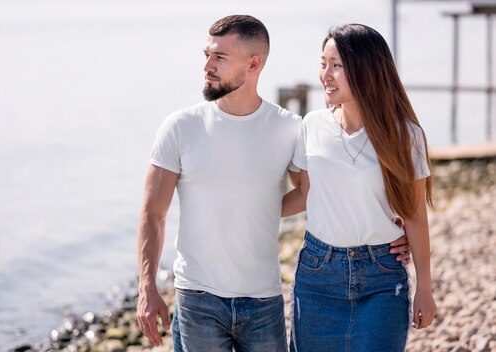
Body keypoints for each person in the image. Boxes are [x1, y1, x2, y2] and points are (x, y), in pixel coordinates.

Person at [136, 16, 411, 351]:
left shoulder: (289, 128)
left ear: (254, 63)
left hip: (263, 301)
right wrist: (147, 287)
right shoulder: (179, 127)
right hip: (198, 297)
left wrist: (386, 227)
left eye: (220, 57)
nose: (207, 65)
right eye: (206, 54)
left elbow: (316, 191)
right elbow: (153, 212)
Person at [288, 24, 437, 352]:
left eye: (337, 65)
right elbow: (303, 195)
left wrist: (424, 287)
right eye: (323, 63)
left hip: (382, 277)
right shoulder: (312, 126)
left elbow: (414, 215)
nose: (326, 74)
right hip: (317, 277)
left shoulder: (405, 135)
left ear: (366, 69)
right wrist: (245, 209)